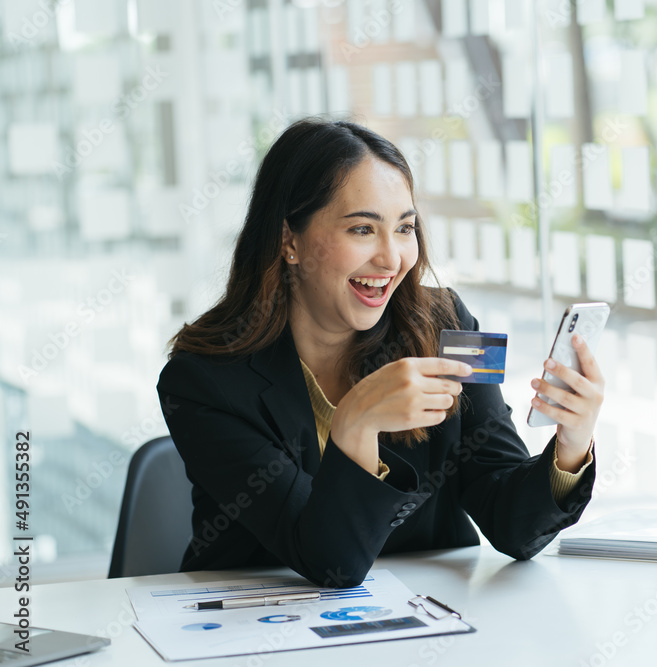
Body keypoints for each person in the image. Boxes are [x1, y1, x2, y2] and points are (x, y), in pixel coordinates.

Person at [157, 118, 604, 588]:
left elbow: (515, 528)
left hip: (431, 620)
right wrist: (356, 421)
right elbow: (331, 565)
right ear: (289, 240)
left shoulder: (448, 324)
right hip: (258, 630)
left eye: (405, 228)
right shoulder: (202, 380)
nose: (392, 259)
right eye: (363, 230)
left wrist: (572, 446)